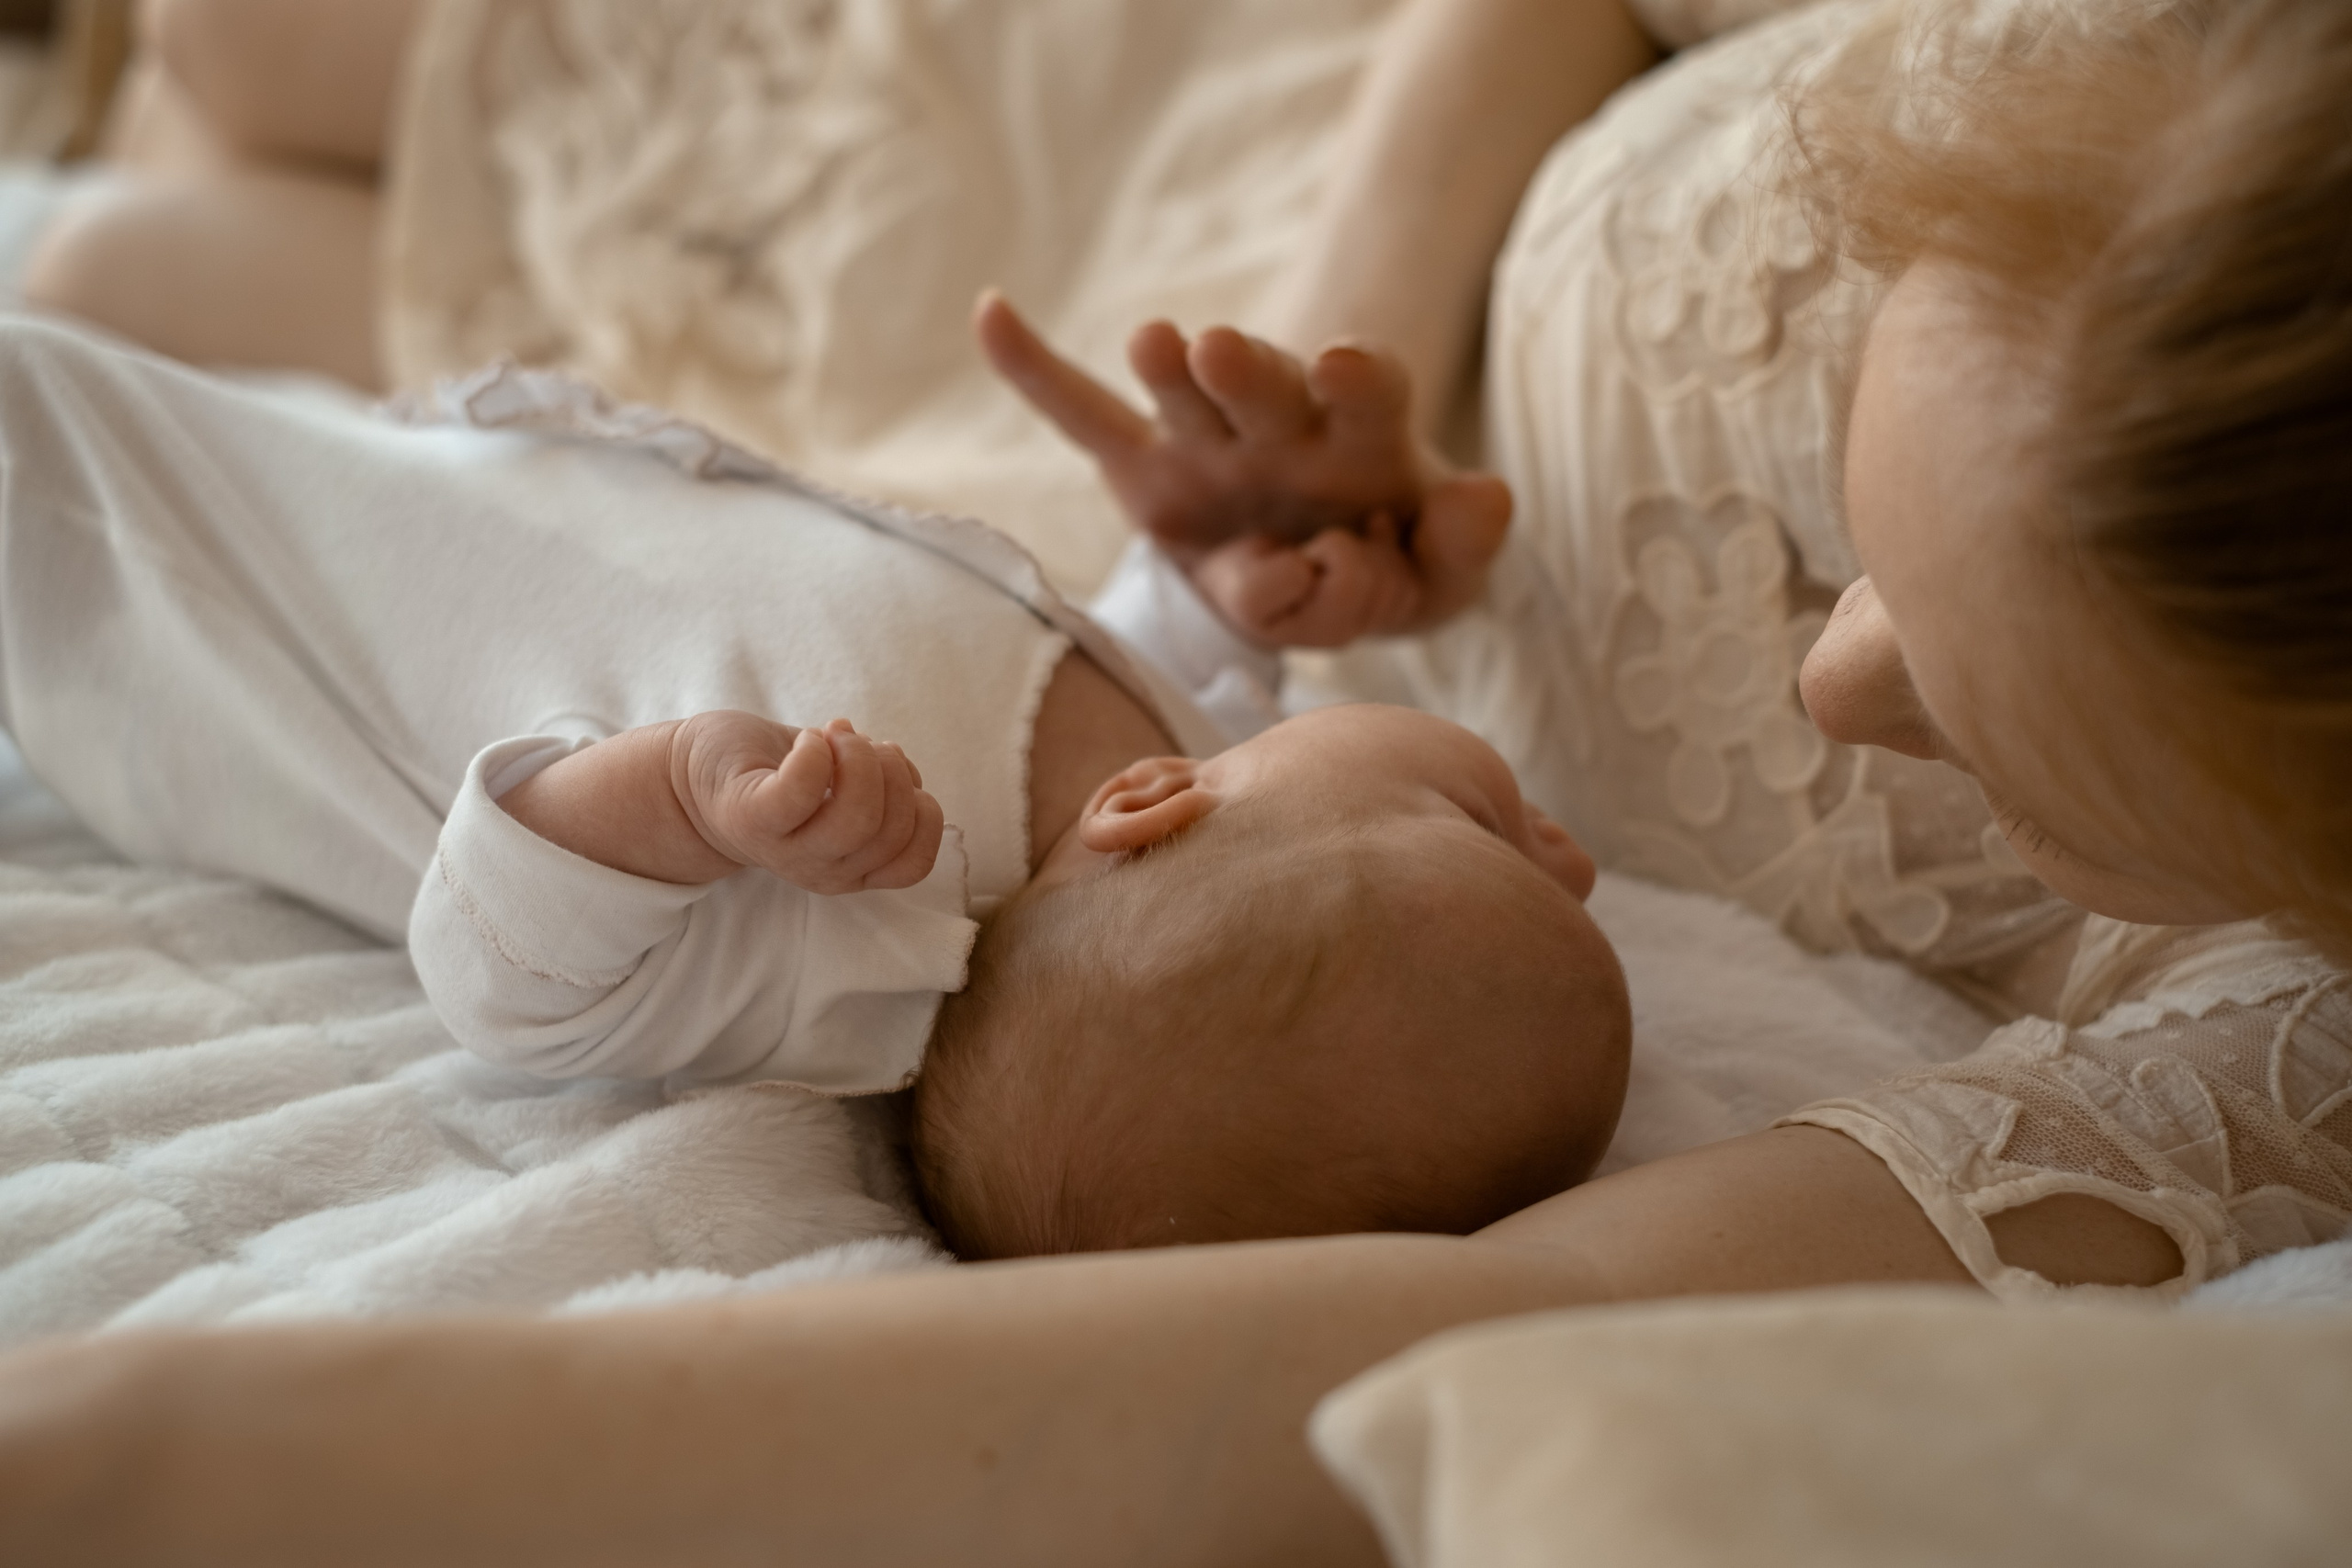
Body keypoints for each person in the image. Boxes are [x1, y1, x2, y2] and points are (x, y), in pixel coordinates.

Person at [4, 0, 2349, 1562]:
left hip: (886, 530)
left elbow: (1384, 1358)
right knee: (233, 50)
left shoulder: (2265, 1063)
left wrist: (161, 1459)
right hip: (1173, 271)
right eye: (1872, 531)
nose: (1831, 676)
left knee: (117, 251)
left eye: (1986, 716)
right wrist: (1344, 373)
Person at [0, 316, 1628, 1262]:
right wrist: (1214, 598)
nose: (1573, 857)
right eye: (1512, 839)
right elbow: (1101, 665)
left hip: (191, 613)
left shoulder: (870, 941)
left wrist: (675, 806)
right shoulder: (1177, 721)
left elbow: (511, 987)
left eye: (1498, 837)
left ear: (1157, 816)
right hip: (386, 473)